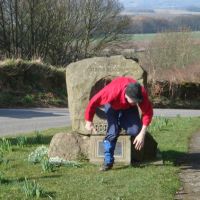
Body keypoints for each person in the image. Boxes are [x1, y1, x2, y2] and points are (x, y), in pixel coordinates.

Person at [85, 76, 153, 171]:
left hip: (128, 107)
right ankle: (108, 161)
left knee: (135, 130)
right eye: (135, 101)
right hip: (112, 105)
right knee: (112, 132)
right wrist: (89, 120)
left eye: (137, 101)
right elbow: (93, 102)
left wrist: (142, 133)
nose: (137, 103)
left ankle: (121, 120)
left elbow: (148, 112)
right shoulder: (111, 92)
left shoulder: (140, 92)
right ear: (126, 95)